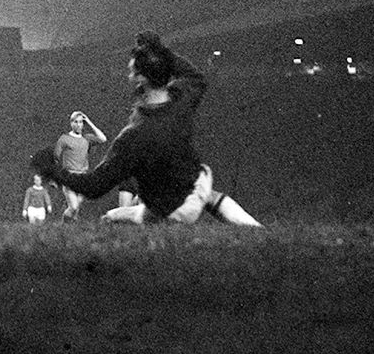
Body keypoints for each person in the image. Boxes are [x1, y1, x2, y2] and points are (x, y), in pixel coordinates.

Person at [32, 30, 262, 227]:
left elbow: (94, 186)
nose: (129, 75)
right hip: (192, 188)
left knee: (165, 207)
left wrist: (54, 171)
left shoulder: (134, 136)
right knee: (116, 216)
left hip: (170, 211)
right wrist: (160, 50)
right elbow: (195, 77)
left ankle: (255, 230)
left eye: (133, 71)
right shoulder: (182, 98)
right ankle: (257, 230)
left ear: (141, 79)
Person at [54, 110, 107, 221]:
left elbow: (103, 139)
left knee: (76, 209)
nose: (79, 125)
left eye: (81, 122)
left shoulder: (87, 139)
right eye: (76, 122)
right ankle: (63, 225)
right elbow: (55, 158)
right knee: (73, 207)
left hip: (83, 177)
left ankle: (69, 229)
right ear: (71, 123)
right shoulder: (64, 139)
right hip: (70, 176)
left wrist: (89, 121)